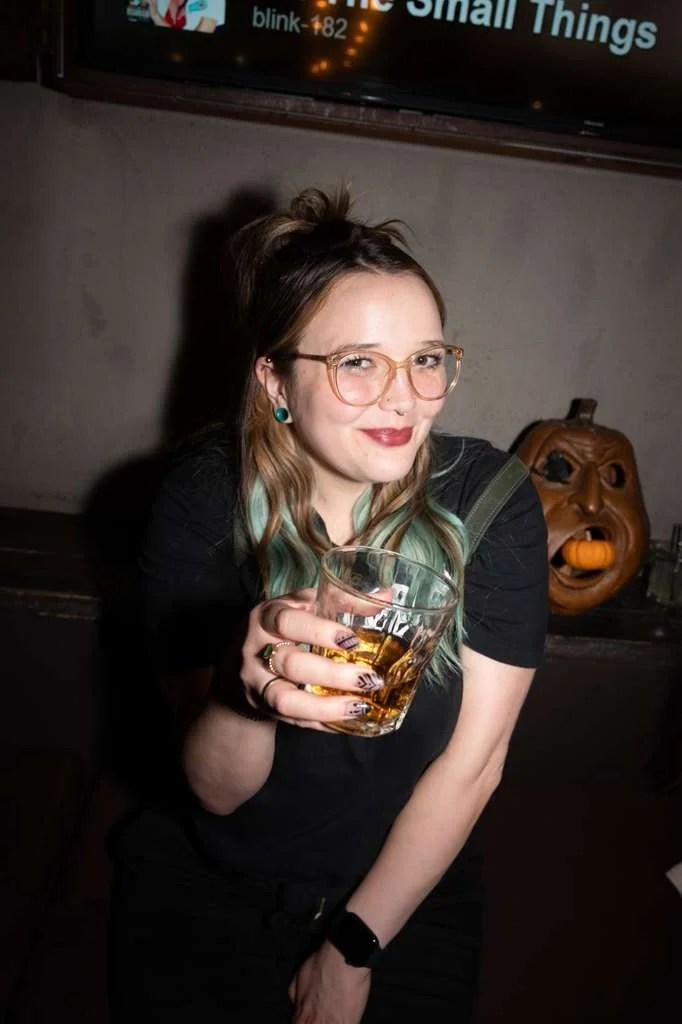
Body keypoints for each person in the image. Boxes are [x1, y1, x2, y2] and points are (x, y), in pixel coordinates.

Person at [108, 186, 548, 1023]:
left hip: (400, 897)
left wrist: (353, 945)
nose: (404, 397)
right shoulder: (207, 496)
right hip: (214, 882)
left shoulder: (491, 498)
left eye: (426, 358)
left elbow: (475, 763)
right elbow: (216, 794)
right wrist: (251, 685)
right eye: (357, 361)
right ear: (274, 378)